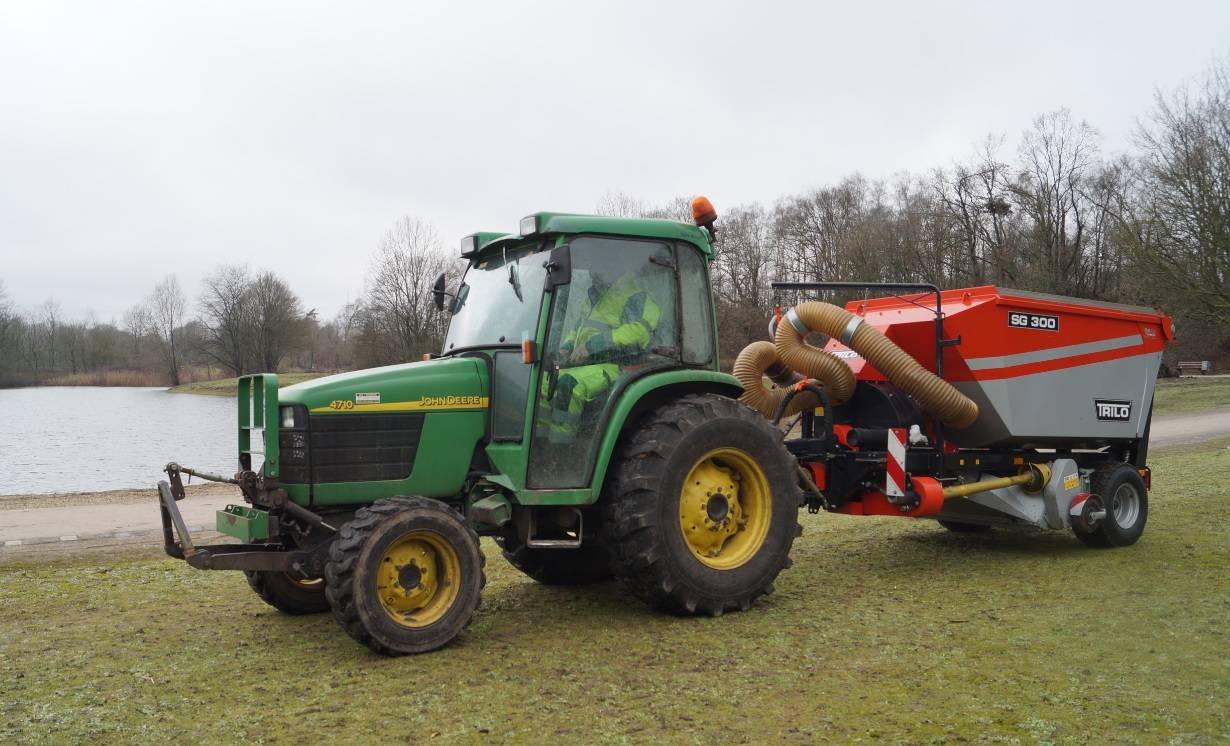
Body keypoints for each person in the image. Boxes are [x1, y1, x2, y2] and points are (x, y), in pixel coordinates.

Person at [540, 270, 662, 440]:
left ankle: (562, 447)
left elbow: (639, 332)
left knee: (569, 385)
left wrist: (593, 345)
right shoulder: (594, 297)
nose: (592, 274)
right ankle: (540, 443)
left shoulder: (637, 296)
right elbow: (578, 329)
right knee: (545, 381)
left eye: (596, 270)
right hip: (585, 364)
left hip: (614, 364)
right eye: (591, 271)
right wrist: (567, 347)